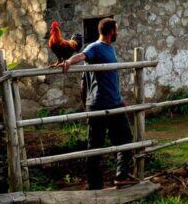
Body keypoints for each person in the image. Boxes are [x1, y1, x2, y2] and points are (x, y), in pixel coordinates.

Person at [59, 18, 137, 190]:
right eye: (117, 29)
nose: (118, 32)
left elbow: (110, 78)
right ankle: (95, 186)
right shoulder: (95, 47)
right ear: (111, 32)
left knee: (125, 139)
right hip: (99, 105)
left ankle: (121, 176)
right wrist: (69, 62)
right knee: (95, 147)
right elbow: (82, 55)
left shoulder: (110, 49)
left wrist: (119, 98)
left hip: (114, 104)